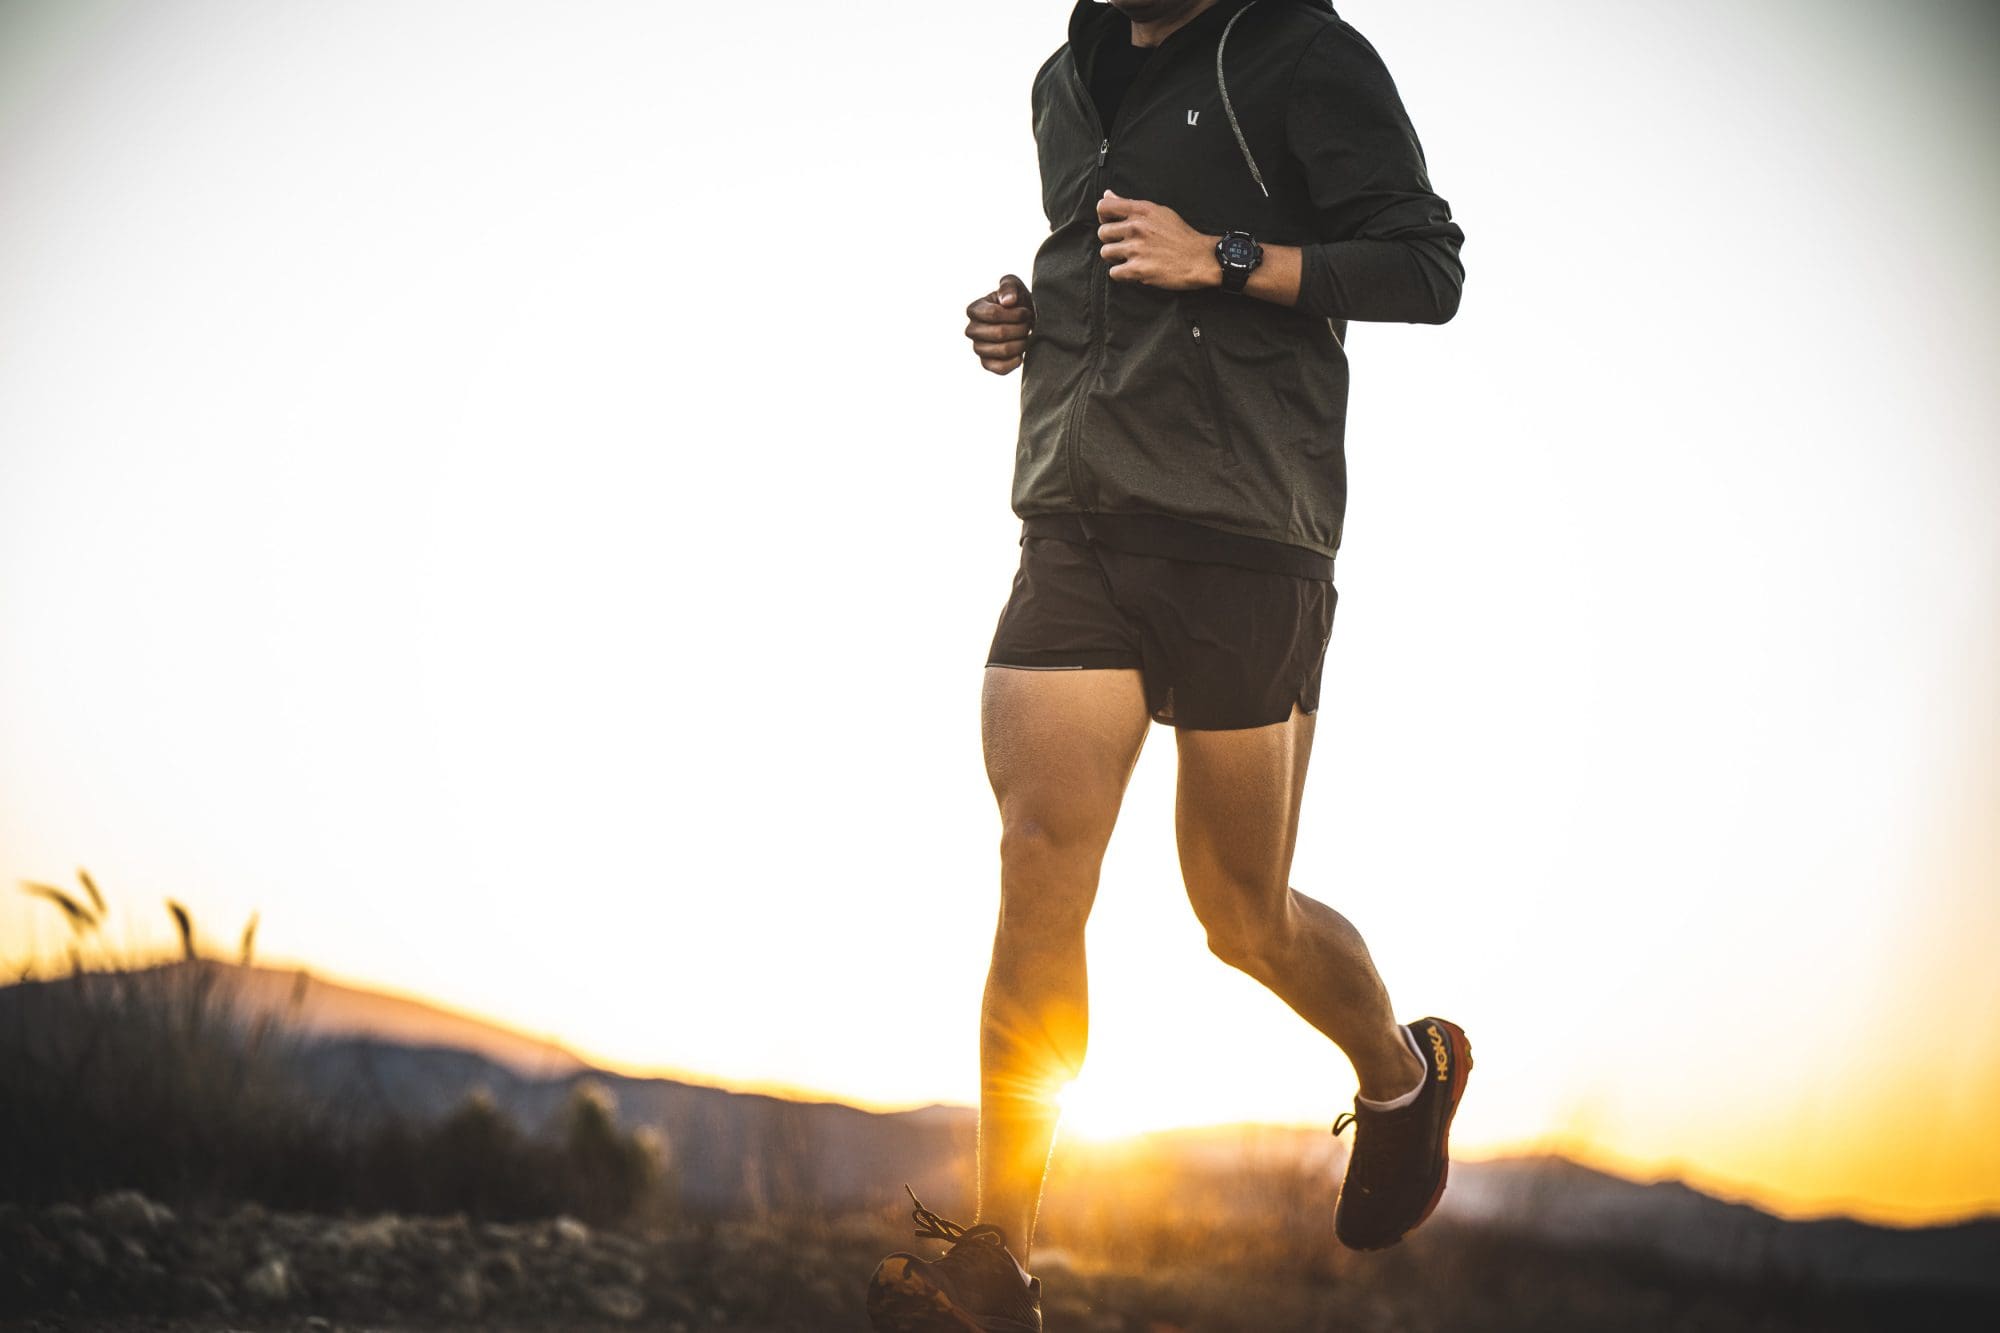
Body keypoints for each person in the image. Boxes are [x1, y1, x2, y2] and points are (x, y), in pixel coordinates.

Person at [867, 2, 1468, 1328]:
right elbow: (1109, 273)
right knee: (1037, 855)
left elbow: (1427, 269)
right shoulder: (1062, 86)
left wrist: (1226, 256)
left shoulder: (1304, 54)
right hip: (1078, 519)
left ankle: (1402, 1077)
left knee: (1237, 912)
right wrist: (1032, 322)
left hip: (1249, 537)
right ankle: (996, 1262)